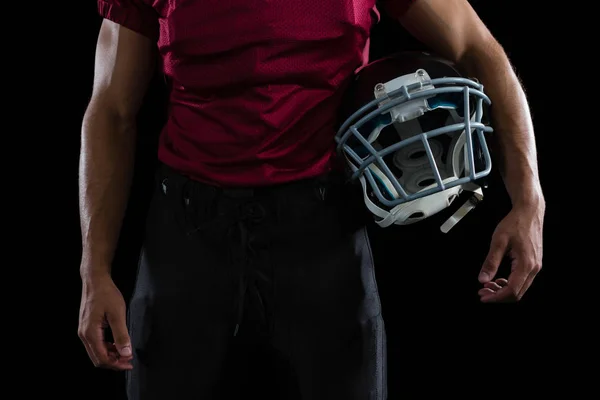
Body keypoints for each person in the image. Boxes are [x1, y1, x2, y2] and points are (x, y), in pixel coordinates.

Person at [78, 0, 545, 399]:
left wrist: (529, 199)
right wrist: (94, 269)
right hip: (186, 235)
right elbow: (112, 109)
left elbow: (474, 46)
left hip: (323, 230)